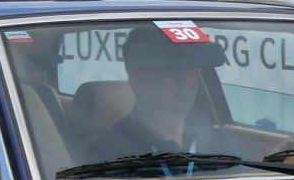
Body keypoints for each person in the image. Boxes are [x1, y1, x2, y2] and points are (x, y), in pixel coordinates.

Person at [84, 25, 231, 164]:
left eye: (191, 70)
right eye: (171, 71)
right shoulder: (108, 156)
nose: (185, 81)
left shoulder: (216, 141)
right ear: (137, 78)